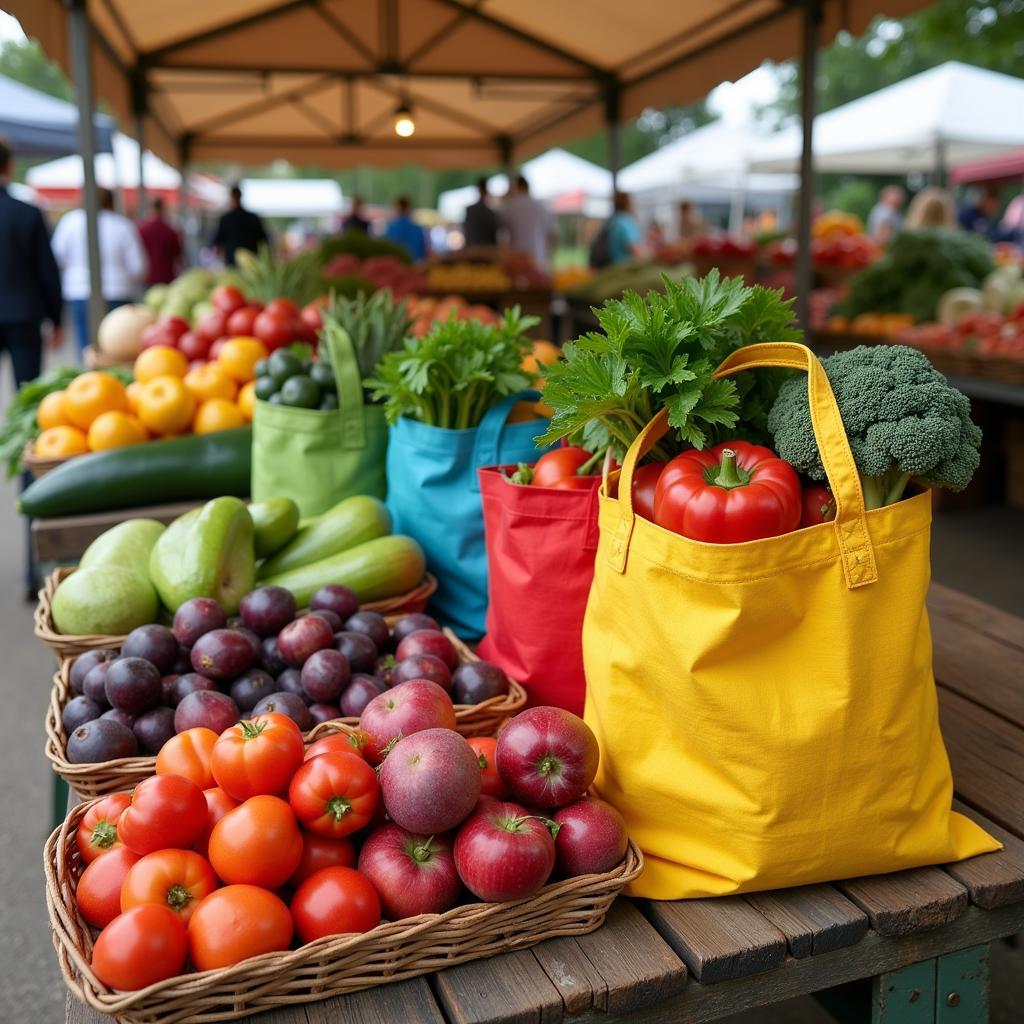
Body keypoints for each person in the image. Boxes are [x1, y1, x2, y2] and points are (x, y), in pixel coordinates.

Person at [51, 186, 147, 354]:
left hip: (79, 291)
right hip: (118, 292)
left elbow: (57, 258)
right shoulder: (122, 225)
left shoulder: (70, 222)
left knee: (87, 349)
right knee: (117, 352)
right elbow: (139, 266)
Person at [0, 135, 62, 388]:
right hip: (24, 315)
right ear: (9, 166)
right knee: (27, 394)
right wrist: (56, 318)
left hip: (24, 314)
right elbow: (47, 270)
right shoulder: (28, 213)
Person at [499, 175, 556, 271]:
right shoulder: (542, 206)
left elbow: (501, 233)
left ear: (516, 187)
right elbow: (552, 235)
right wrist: (549, 257)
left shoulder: (509, 206)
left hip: (516, 259)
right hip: (539, 259)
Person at [211, 184, 269, 266]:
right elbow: (264, 241)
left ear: (231, 197)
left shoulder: (226, 219)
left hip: (233, 262)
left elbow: (217, 242)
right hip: (251, 262)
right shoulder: (253, 218)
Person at [137, 196, 182, 285]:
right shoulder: (170, 231)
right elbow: (179, 256)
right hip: (166, 277)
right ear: (162, 209)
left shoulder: (141, 230)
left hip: (147, 277)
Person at [384, 196, 428, 261]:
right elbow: (423, 251)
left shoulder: (392, 227)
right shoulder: (417, 229)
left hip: (396, 264)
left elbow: (388, 248)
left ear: (397, 207)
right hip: (414, 265)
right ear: (409, 208)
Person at [607, 192, 643, 265]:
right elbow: (634, 248)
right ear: (628, 203)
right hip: (626, 266)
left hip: (613, 266)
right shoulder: (625, 221)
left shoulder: (613, 221)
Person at [463, 178, 498, 247]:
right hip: (486, 251)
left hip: (474, 250)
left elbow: (467, 233)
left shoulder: (470, 211)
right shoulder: (489, 213)